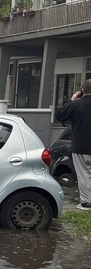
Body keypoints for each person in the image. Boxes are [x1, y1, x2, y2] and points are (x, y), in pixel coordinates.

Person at [57, 79, 91, 209]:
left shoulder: (76, 105)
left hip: (81, 147)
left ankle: (86, 203)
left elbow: (60, 115)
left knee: (84, 175)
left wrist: (72, 100)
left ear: (82, 90)